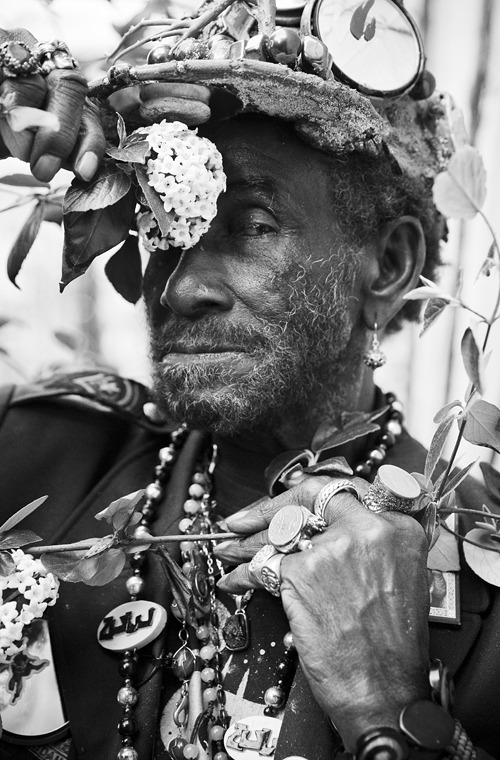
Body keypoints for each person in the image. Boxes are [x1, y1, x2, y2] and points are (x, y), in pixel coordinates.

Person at [0, 3, 498, 760]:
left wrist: (385, 709)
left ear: (388, 267)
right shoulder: (37, 455)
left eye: (253, 223)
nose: (179, 287)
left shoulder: (482, 569)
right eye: (167, 227)